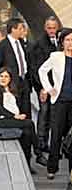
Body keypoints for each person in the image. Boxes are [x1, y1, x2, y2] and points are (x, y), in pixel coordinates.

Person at [37, 27, 72, 190]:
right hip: (59, 101)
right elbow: (42, 71)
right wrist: (49, 88)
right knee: (56, 134)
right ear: (62, 42)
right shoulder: (56, 57)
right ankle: (52, 168)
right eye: (68, 40)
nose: (70, 43)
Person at [0, 67, 38, 171]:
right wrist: (15, 116)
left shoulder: (11, 89)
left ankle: (26, 164)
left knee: (27, 133)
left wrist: (19, 115)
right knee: (29, 123)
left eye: (6, 76)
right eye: (1, 76)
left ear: (10, 78)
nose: (3, 78)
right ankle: (38, 153)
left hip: (9, 119)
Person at [31, 16, 63, 166]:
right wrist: (44, 88)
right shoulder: (38, 45)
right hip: (44, 87)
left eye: (54, 28)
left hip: (58, 88)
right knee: (43, 116)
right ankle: (41, 146)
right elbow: (37, 69)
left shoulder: (62, 42)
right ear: (45, 28)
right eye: (49, 28)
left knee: (54, 117)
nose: (51, 31)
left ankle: (51, 145)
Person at [0, 18, 32, 116]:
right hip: (12, 85)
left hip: (24, 82)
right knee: (15, 112)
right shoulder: (2, 46)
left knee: (26, 112)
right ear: (13, 29)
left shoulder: (22, 43)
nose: (23, 31)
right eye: (20, 28)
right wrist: (4, 85)